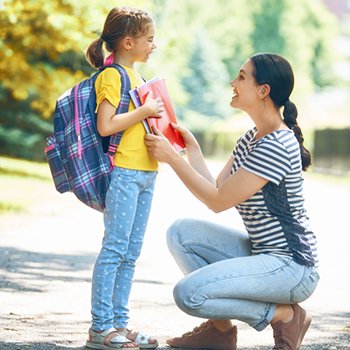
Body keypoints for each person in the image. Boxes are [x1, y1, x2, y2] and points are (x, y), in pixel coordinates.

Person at [145, 53, 320, 350]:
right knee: (181, 233)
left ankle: (284, 315)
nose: (232, 83)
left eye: (241, 77)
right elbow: (215, 187)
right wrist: (192, 151)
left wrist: (172, 159)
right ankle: (220, 332)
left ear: (263, 90)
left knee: (189, 294)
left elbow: (217, 201)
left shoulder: (277, 144)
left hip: (292, 267)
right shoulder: (252, 138)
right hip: (263, 255)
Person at [84, 6, 164, 350]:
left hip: (147, 172)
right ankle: (100, 328)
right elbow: (107, 125)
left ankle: (119, 323)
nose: (154, 45)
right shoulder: (112, 76)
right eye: (149, 39)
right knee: (115, 249)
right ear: (128, 42)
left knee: (131, 252)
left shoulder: (140, 79)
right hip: (126, 173)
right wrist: (145, 111)